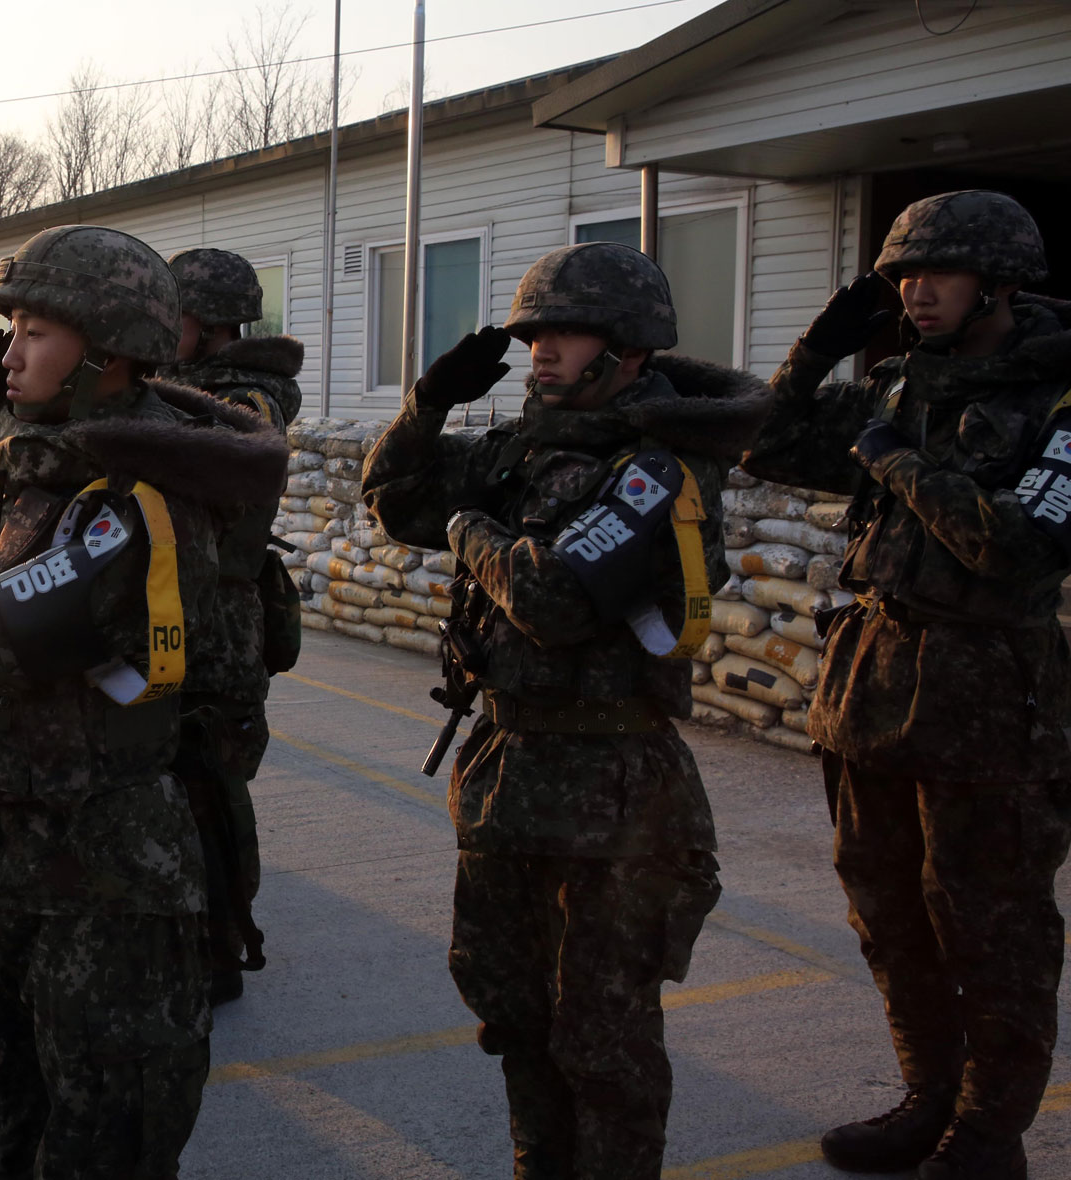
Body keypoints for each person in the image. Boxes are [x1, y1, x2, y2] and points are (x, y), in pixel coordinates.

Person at [362, 241, 769, 1179]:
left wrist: (469, 528)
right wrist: (426, 408)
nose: (539, 350)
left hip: (615, 795)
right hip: (510, 776)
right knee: (515, 1012)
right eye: (532, 333)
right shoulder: (522, 449)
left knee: (606, 1035)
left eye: (565, 332)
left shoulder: (656, 470)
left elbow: (547, 598)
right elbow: (394, 501)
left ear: (627, 349)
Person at [0, 224, 286, 1177]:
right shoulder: (49, 471)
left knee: (101, 1146)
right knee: (17, 1128)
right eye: (14, 328)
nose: (11, 352)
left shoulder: (131, 503)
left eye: (36, 330)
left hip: (106, 871)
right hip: (19, 850)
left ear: (111, 350)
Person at [741, 190, 1071, 1180]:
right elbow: (762, 443)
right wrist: (808, 355)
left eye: (935, 273)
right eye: (898, 277)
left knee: (992, 925)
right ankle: (927, 1095)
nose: (912, 291)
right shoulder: (897, 386)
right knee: (887, 907)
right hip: (875, 689)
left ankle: (986, 1133)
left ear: (998, 284)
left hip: (990, 702)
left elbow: (1013, 545)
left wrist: (892, 466)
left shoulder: (1054, 400)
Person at [161, 246, 305, 1006]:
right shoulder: (198, 386)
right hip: (185, 614)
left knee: (212, 789)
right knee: (179, 786)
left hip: (219, 623)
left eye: (171, 316)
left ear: (209, 323)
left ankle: (221, 946)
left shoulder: (247, 401)